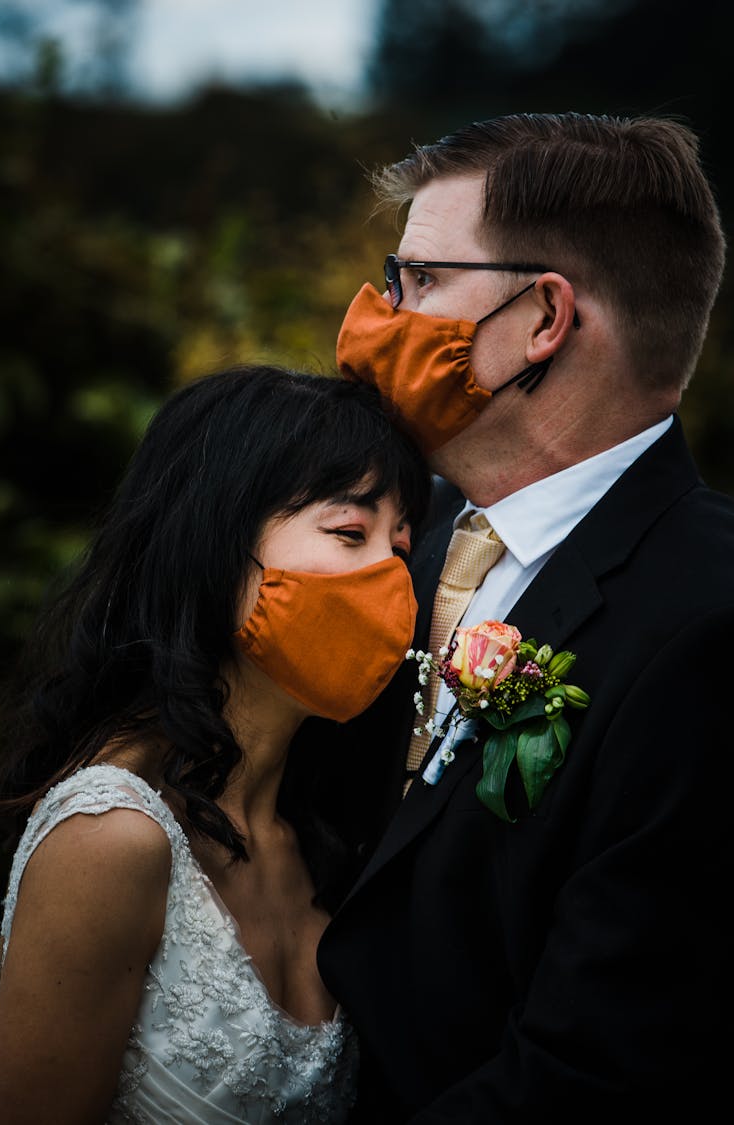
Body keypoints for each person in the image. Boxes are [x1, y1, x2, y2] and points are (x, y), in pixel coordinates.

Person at [314, 112, 734, 1122]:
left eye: (415, 280)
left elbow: (601, 1071)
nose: (376, 313)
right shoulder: (389, 539)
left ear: (543, 318)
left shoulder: (711, 627)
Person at [0, 363, 430, 1124]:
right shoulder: (110, 838)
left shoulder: (333, 831)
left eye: (402, 545)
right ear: (215, 540)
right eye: (350, 532)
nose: (390, 582)